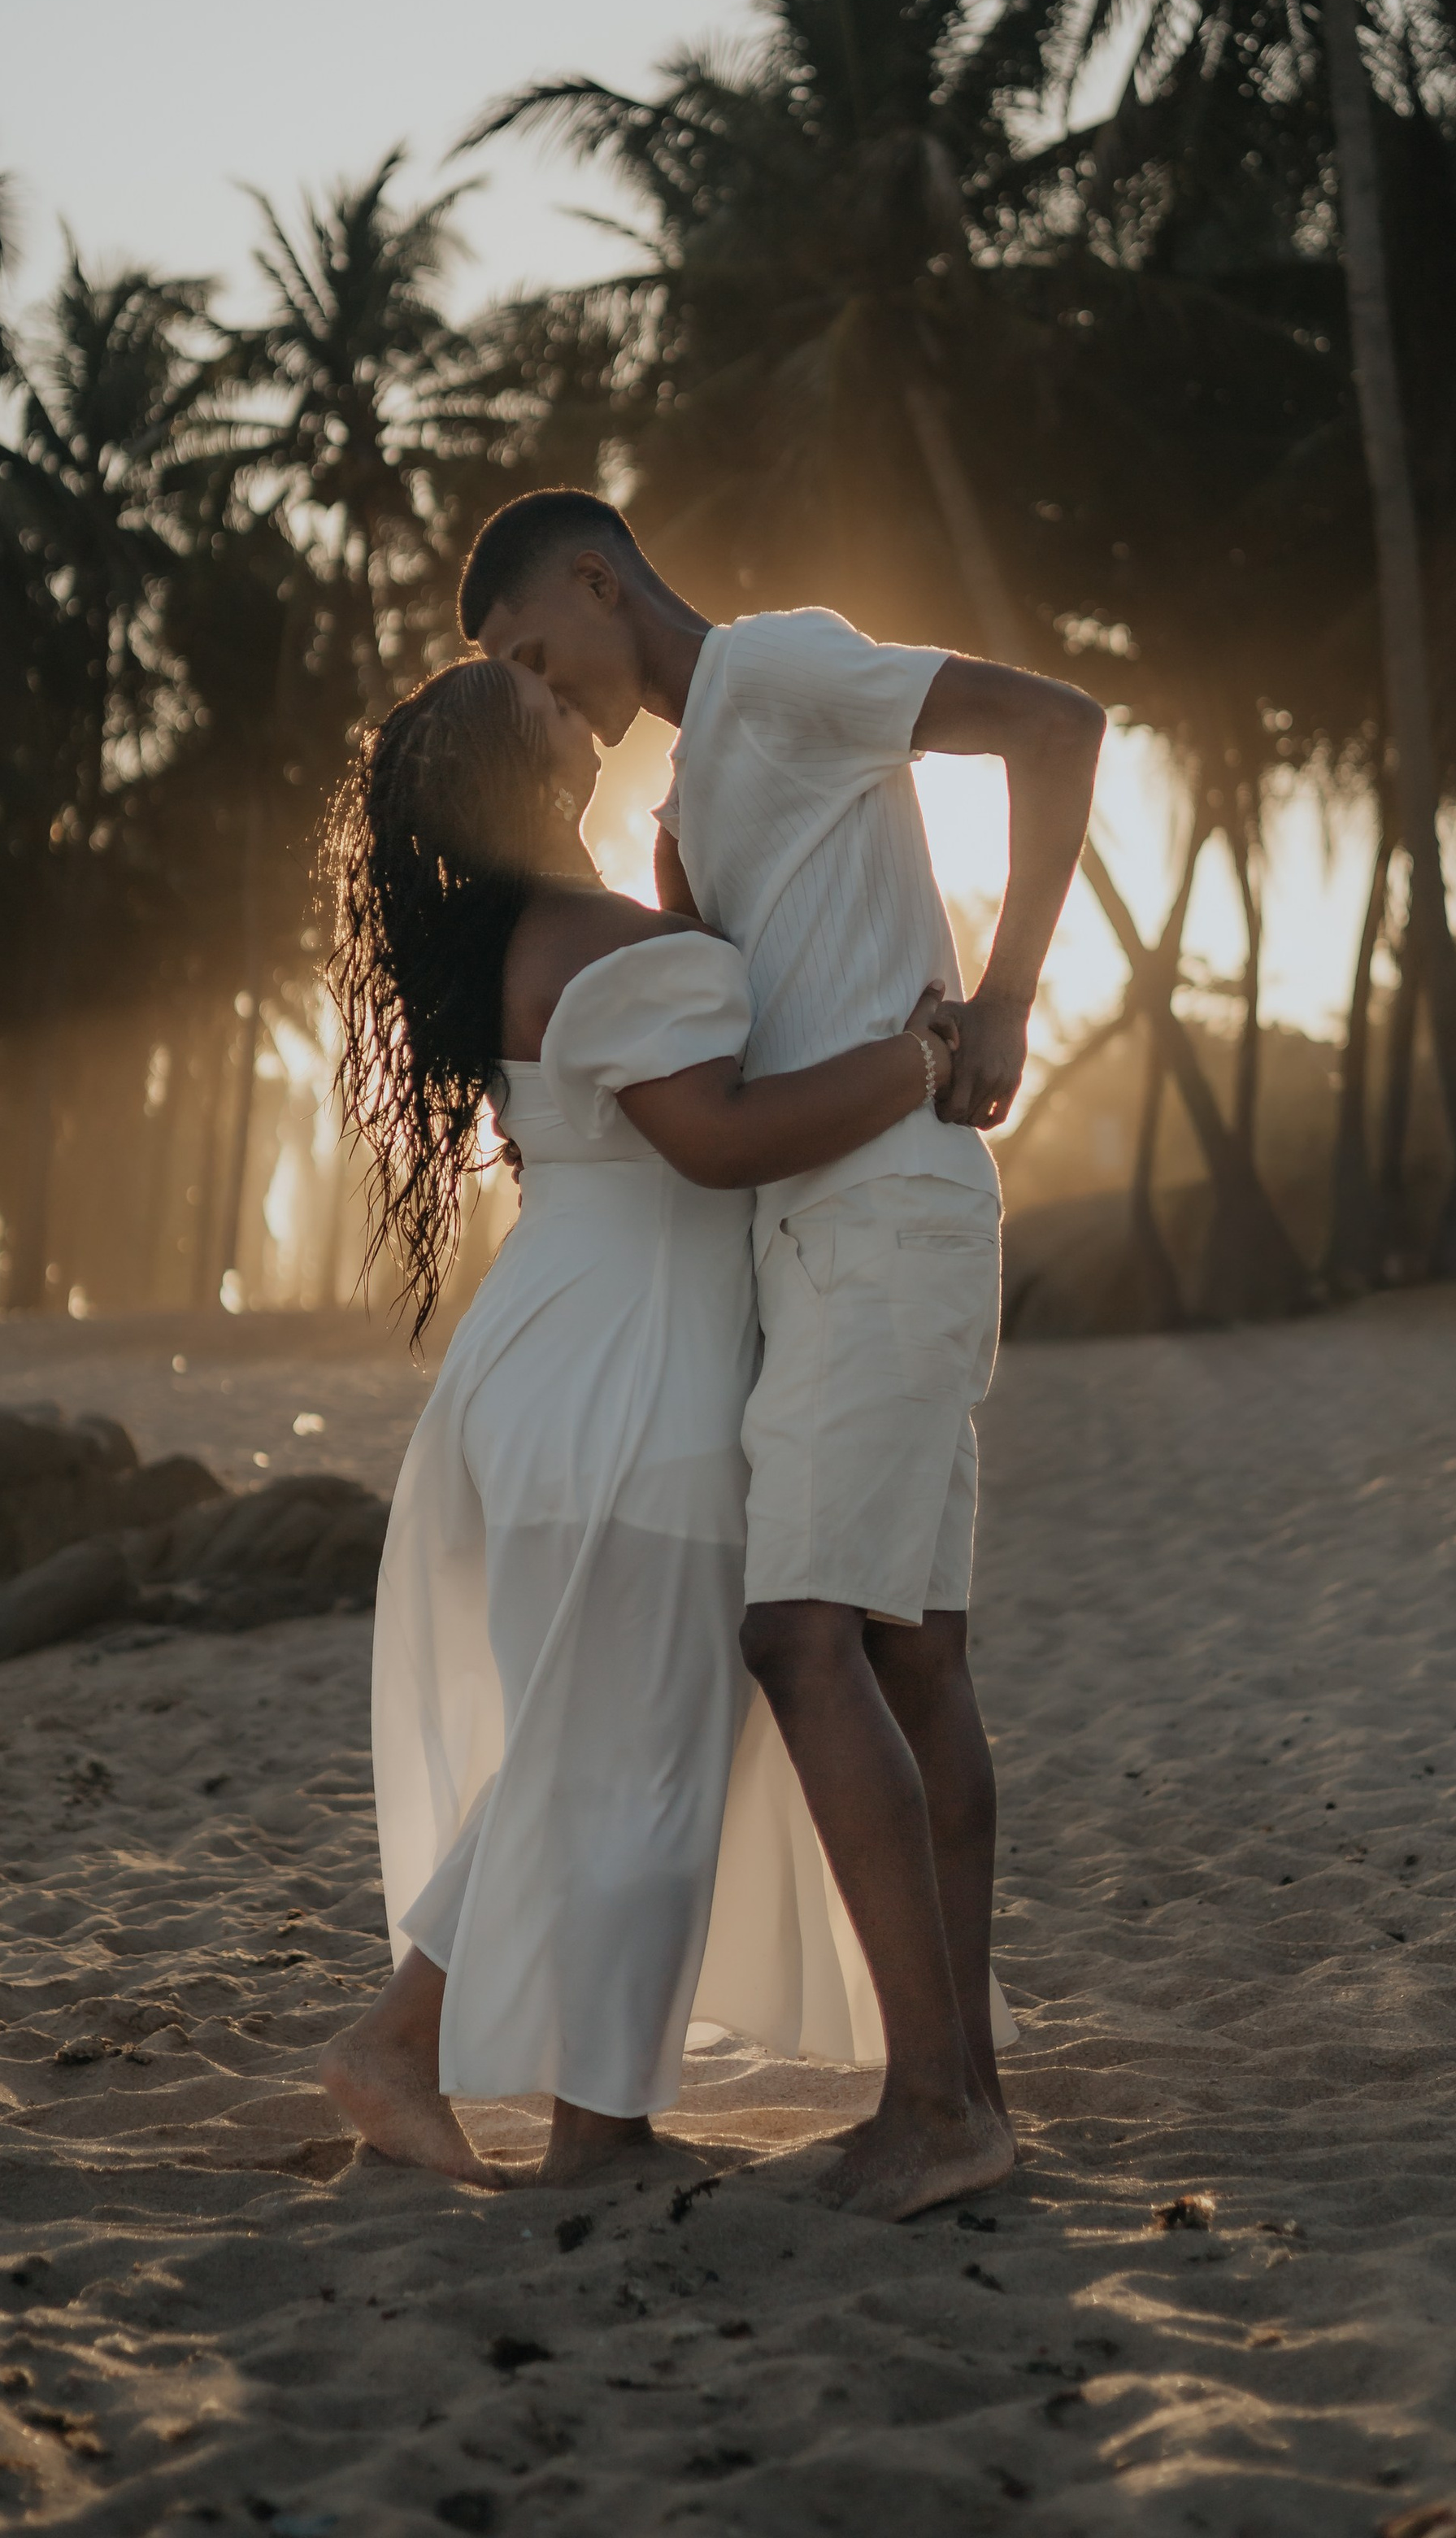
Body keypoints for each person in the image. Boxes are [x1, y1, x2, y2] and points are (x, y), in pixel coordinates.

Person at [464, 490, 1105, 2220]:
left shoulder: (778, 671)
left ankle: (935, 2102)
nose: (540, 692)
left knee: (797, 1637)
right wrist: (690, 896)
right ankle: (955, 2094)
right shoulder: (701, 779)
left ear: (599, 583)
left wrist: (1010, 998)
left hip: (872, 1219)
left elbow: (1053, 726)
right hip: (859, 1225)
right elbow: (769, 1002)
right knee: (908, 1658)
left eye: (534, 648)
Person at [317, 651, 968, 2189]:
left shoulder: (548, 935)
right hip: (630, 1381)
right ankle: (556, 2112)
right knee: (639, 1759)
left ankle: (463, 2063)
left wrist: (680, 904)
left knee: (604, 1742)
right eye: (535, 697)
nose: (563, 690)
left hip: (567, 1359)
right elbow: (724, 1144)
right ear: (513, 770)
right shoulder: (592, 940)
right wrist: (922, 1057)